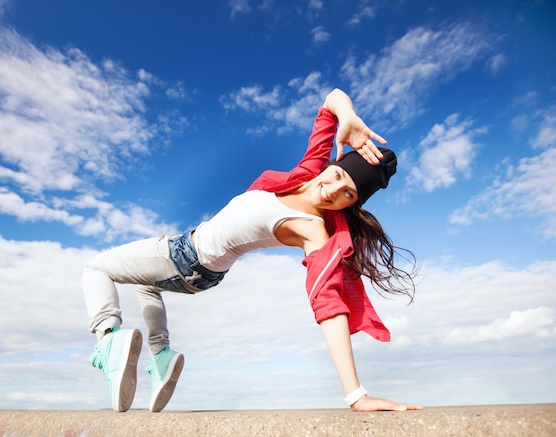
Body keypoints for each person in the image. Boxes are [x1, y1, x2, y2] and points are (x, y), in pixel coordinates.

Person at [83, 88, 421, 413]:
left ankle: (107, 341)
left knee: (96, 269)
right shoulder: (305, 175)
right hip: (199, 270)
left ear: (351, 205)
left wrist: (356, 395)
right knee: (145, 283)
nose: (331, 191)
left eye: (347, 194)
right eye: (335, 176)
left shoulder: (313, 229)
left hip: (184, 257)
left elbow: (327, 303)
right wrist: (347, 115)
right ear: (330, 166)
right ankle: (160, 356)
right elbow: (330, 101)